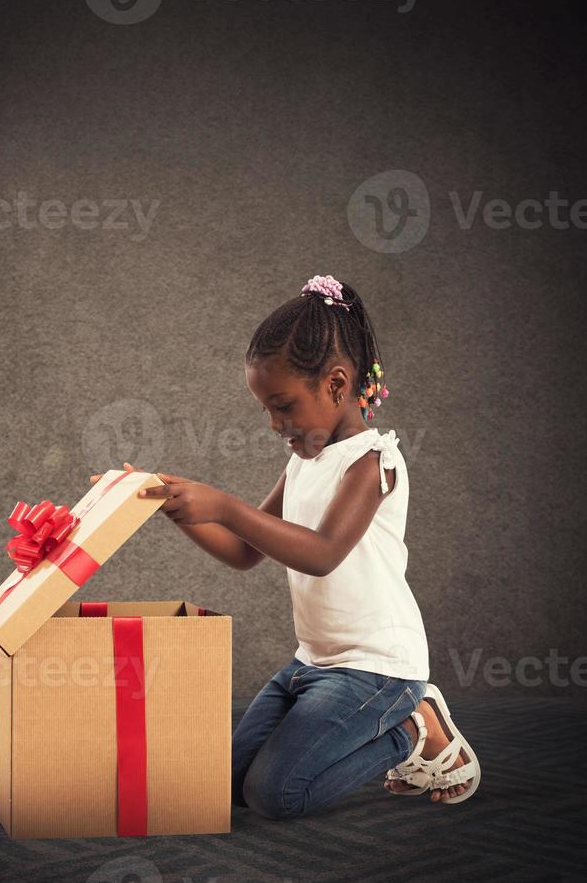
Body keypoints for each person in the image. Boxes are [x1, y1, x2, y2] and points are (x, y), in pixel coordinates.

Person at [90, 274, 480, 818]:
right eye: (266, 410)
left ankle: (413, 730)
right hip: (311, 664)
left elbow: (321, 553)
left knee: (276, 795)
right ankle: (393, 723)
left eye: (283, 406)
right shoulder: (303, 462)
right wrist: (169, 503)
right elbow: (246, 551)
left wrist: (223, 504)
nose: (275, 424)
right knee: (226, 787)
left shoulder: (373, 463)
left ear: (337, 386)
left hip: (378, 668)